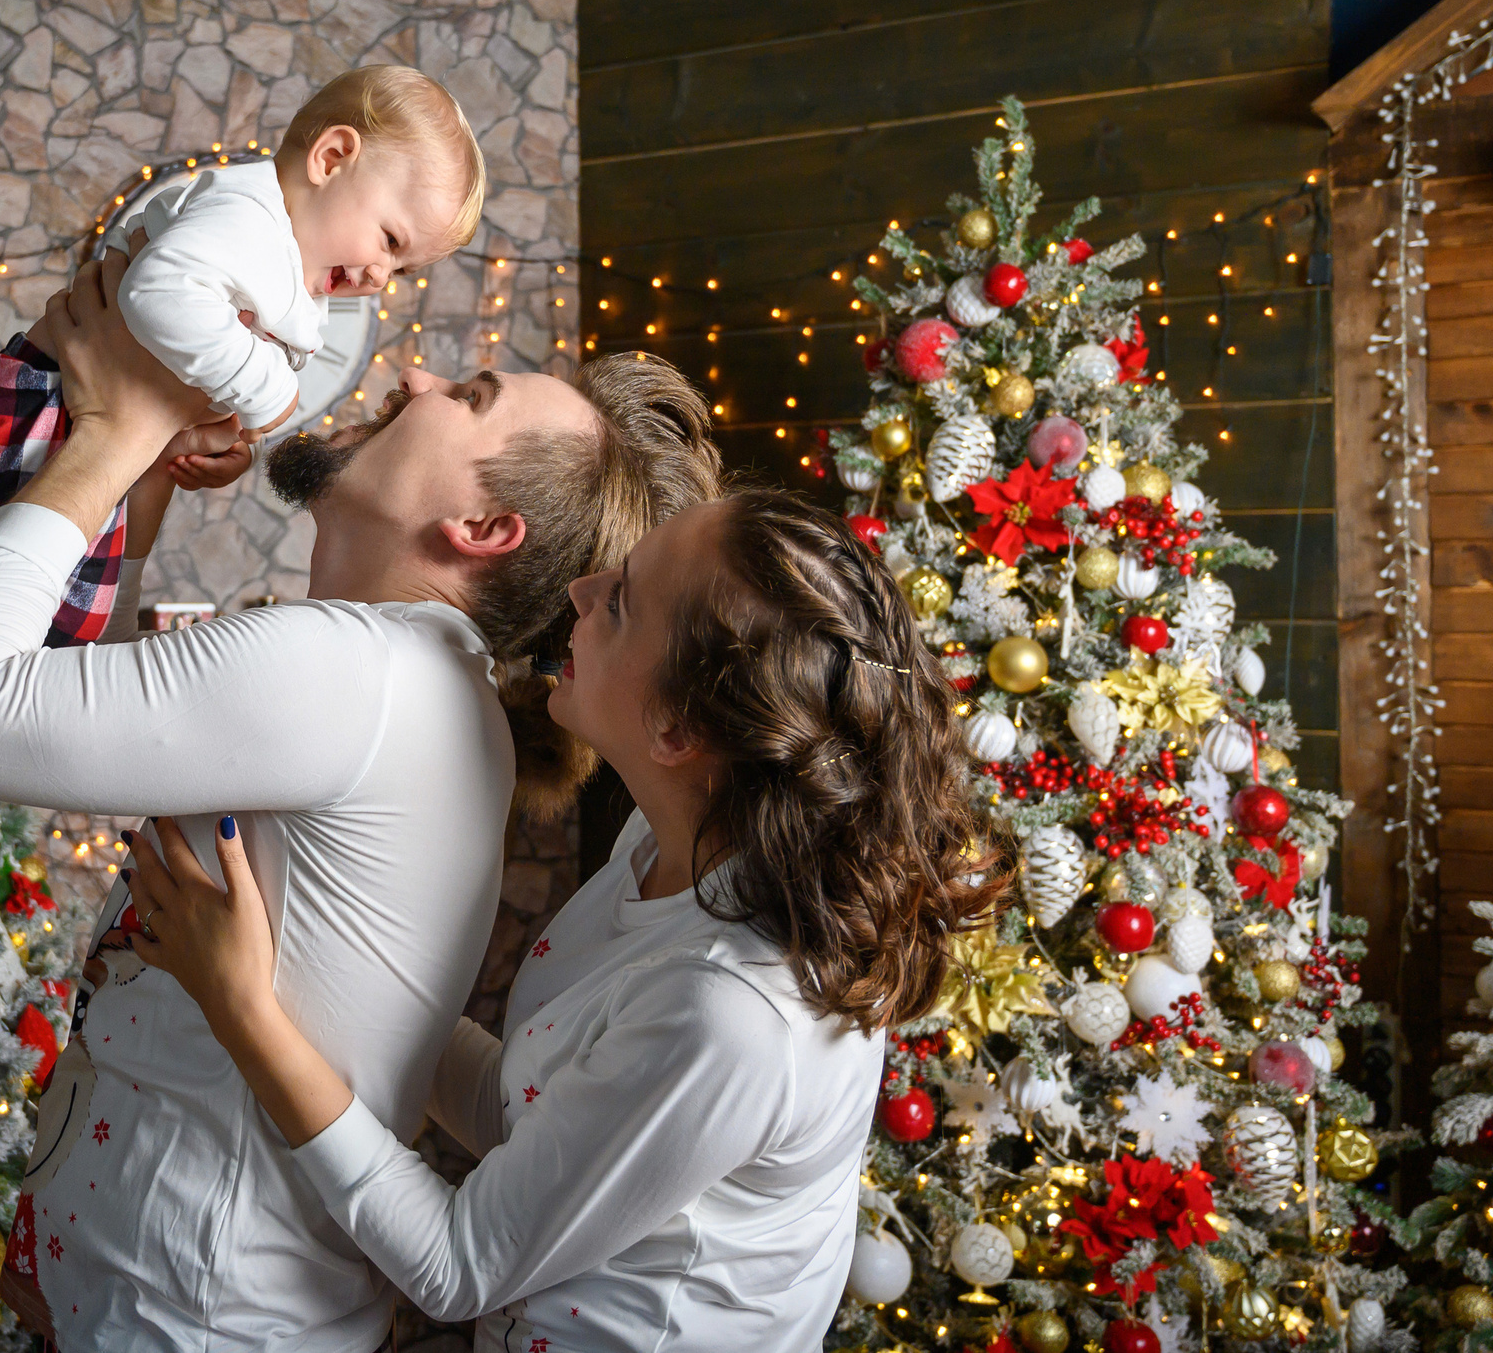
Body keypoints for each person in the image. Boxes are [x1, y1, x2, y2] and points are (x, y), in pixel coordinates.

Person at [0, 238, 718, 1350]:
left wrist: (121, 436)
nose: (410, 379)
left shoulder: (350, 671)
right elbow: (83, 701)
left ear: (481, 531)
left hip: (189, 1318)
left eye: (463, 397)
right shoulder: (404, 674)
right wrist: (152, 484)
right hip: (171, 1294)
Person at [126, 482, 1012, 1352]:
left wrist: (243, 1006)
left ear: (674, 731)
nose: (581, 593)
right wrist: (321, 959)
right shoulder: (667, 844)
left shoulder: (733, 1014)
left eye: (620, 601)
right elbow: (529, 1111)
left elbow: (457, 1263)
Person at [0, 66, 487, 670]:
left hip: (94, 426)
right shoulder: (247, 215)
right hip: (42, 399)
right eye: (390, 241)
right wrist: (268, 393)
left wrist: (220, 434)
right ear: (330, 158)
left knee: (69, 623)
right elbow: (157, 295)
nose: (381, 277)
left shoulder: (289, 264)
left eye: (401, 272)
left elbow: (194, 363)